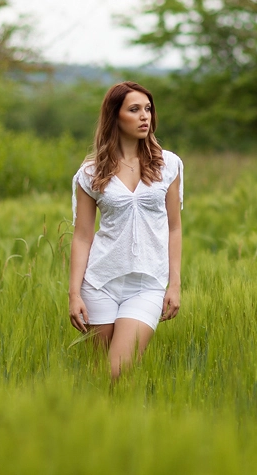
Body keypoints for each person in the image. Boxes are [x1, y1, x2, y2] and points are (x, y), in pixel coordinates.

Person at [69, 81, 183, 379]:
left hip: (147, 284)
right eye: (134, 110)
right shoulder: (90, 173)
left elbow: (174, 228)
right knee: (99, 378)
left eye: (148, 109)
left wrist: (175, 284)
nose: (145, 116)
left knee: (117, 371)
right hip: (99, 283)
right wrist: (74, 294)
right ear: (115, 116)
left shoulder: (168, 165)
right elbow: (82, 236)